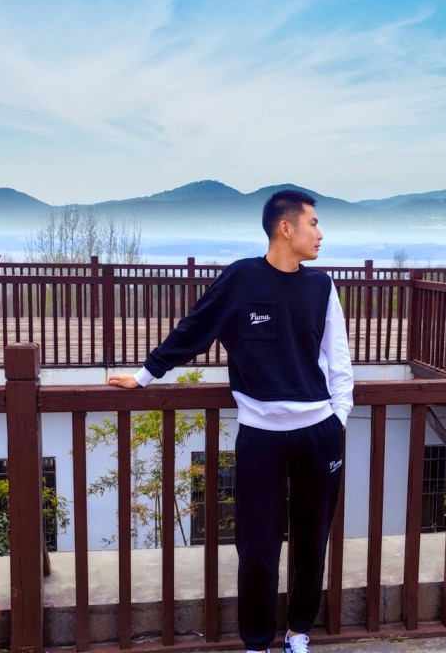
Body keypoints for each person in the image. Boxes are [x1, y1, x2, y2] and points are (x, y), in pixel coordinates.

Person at [108, 189, 353, 653]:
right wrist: (145, 375)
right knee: (257, 546)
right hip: (261, 436)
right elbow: (195, 328)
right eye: (314, 223)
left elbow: (338, 360)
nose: (320, 234)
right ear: (286, 227)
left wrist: (338, 418)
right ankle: (257, 642)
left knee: (312, 541)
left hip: (318, 434)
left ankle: (298, 631)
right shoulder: (242, 278)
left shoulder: (322, 287)